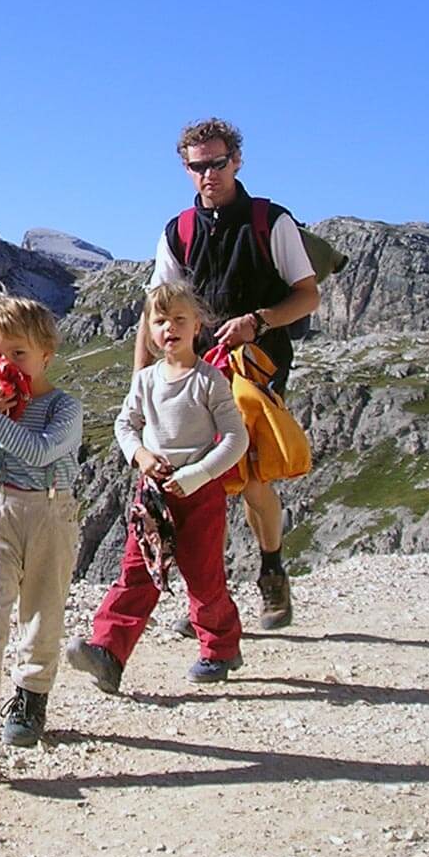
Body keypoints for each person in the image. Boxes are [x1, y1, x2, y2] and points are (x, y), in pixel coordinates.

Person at [141, 118, 319, 630]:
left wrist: (258, 321)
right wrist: (145, 381)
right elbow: (156, 310)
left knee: (251, 471)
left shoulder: (270, 221)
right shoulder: (178, 232)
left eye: (217, 164)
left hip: (258, 364)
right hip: (198, 365)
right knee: (205, 479)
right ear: (186, 168)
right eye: (198, 167)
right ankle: (211, 601)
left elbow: (307, 293)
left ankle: (270, 573)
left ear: (236, 161)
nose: (208, 175)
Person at [64, 281, 249, 688]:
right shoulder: (146, 380)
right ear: (148, 329)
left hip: (200, 493)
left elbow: (237, 438)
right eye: (160, 321)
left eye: (179, 319)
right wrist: (141, 456)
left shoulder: (210, 380)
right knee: (137, 570)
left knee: (203, 574)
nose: (170, 328)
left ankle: (220, 647)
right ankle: (108, 652)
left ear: (197, 325)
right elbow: (125, 424)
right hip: (152, 494)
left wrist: (197, 474)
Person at [0, 294, 84, 764]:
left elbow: (41, 451)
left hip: (50, 513)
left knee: (42, 613)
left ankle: (29, 701)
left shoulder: (65, 407)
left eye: (18, 355)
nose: (5, 365)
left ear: (46, 355)